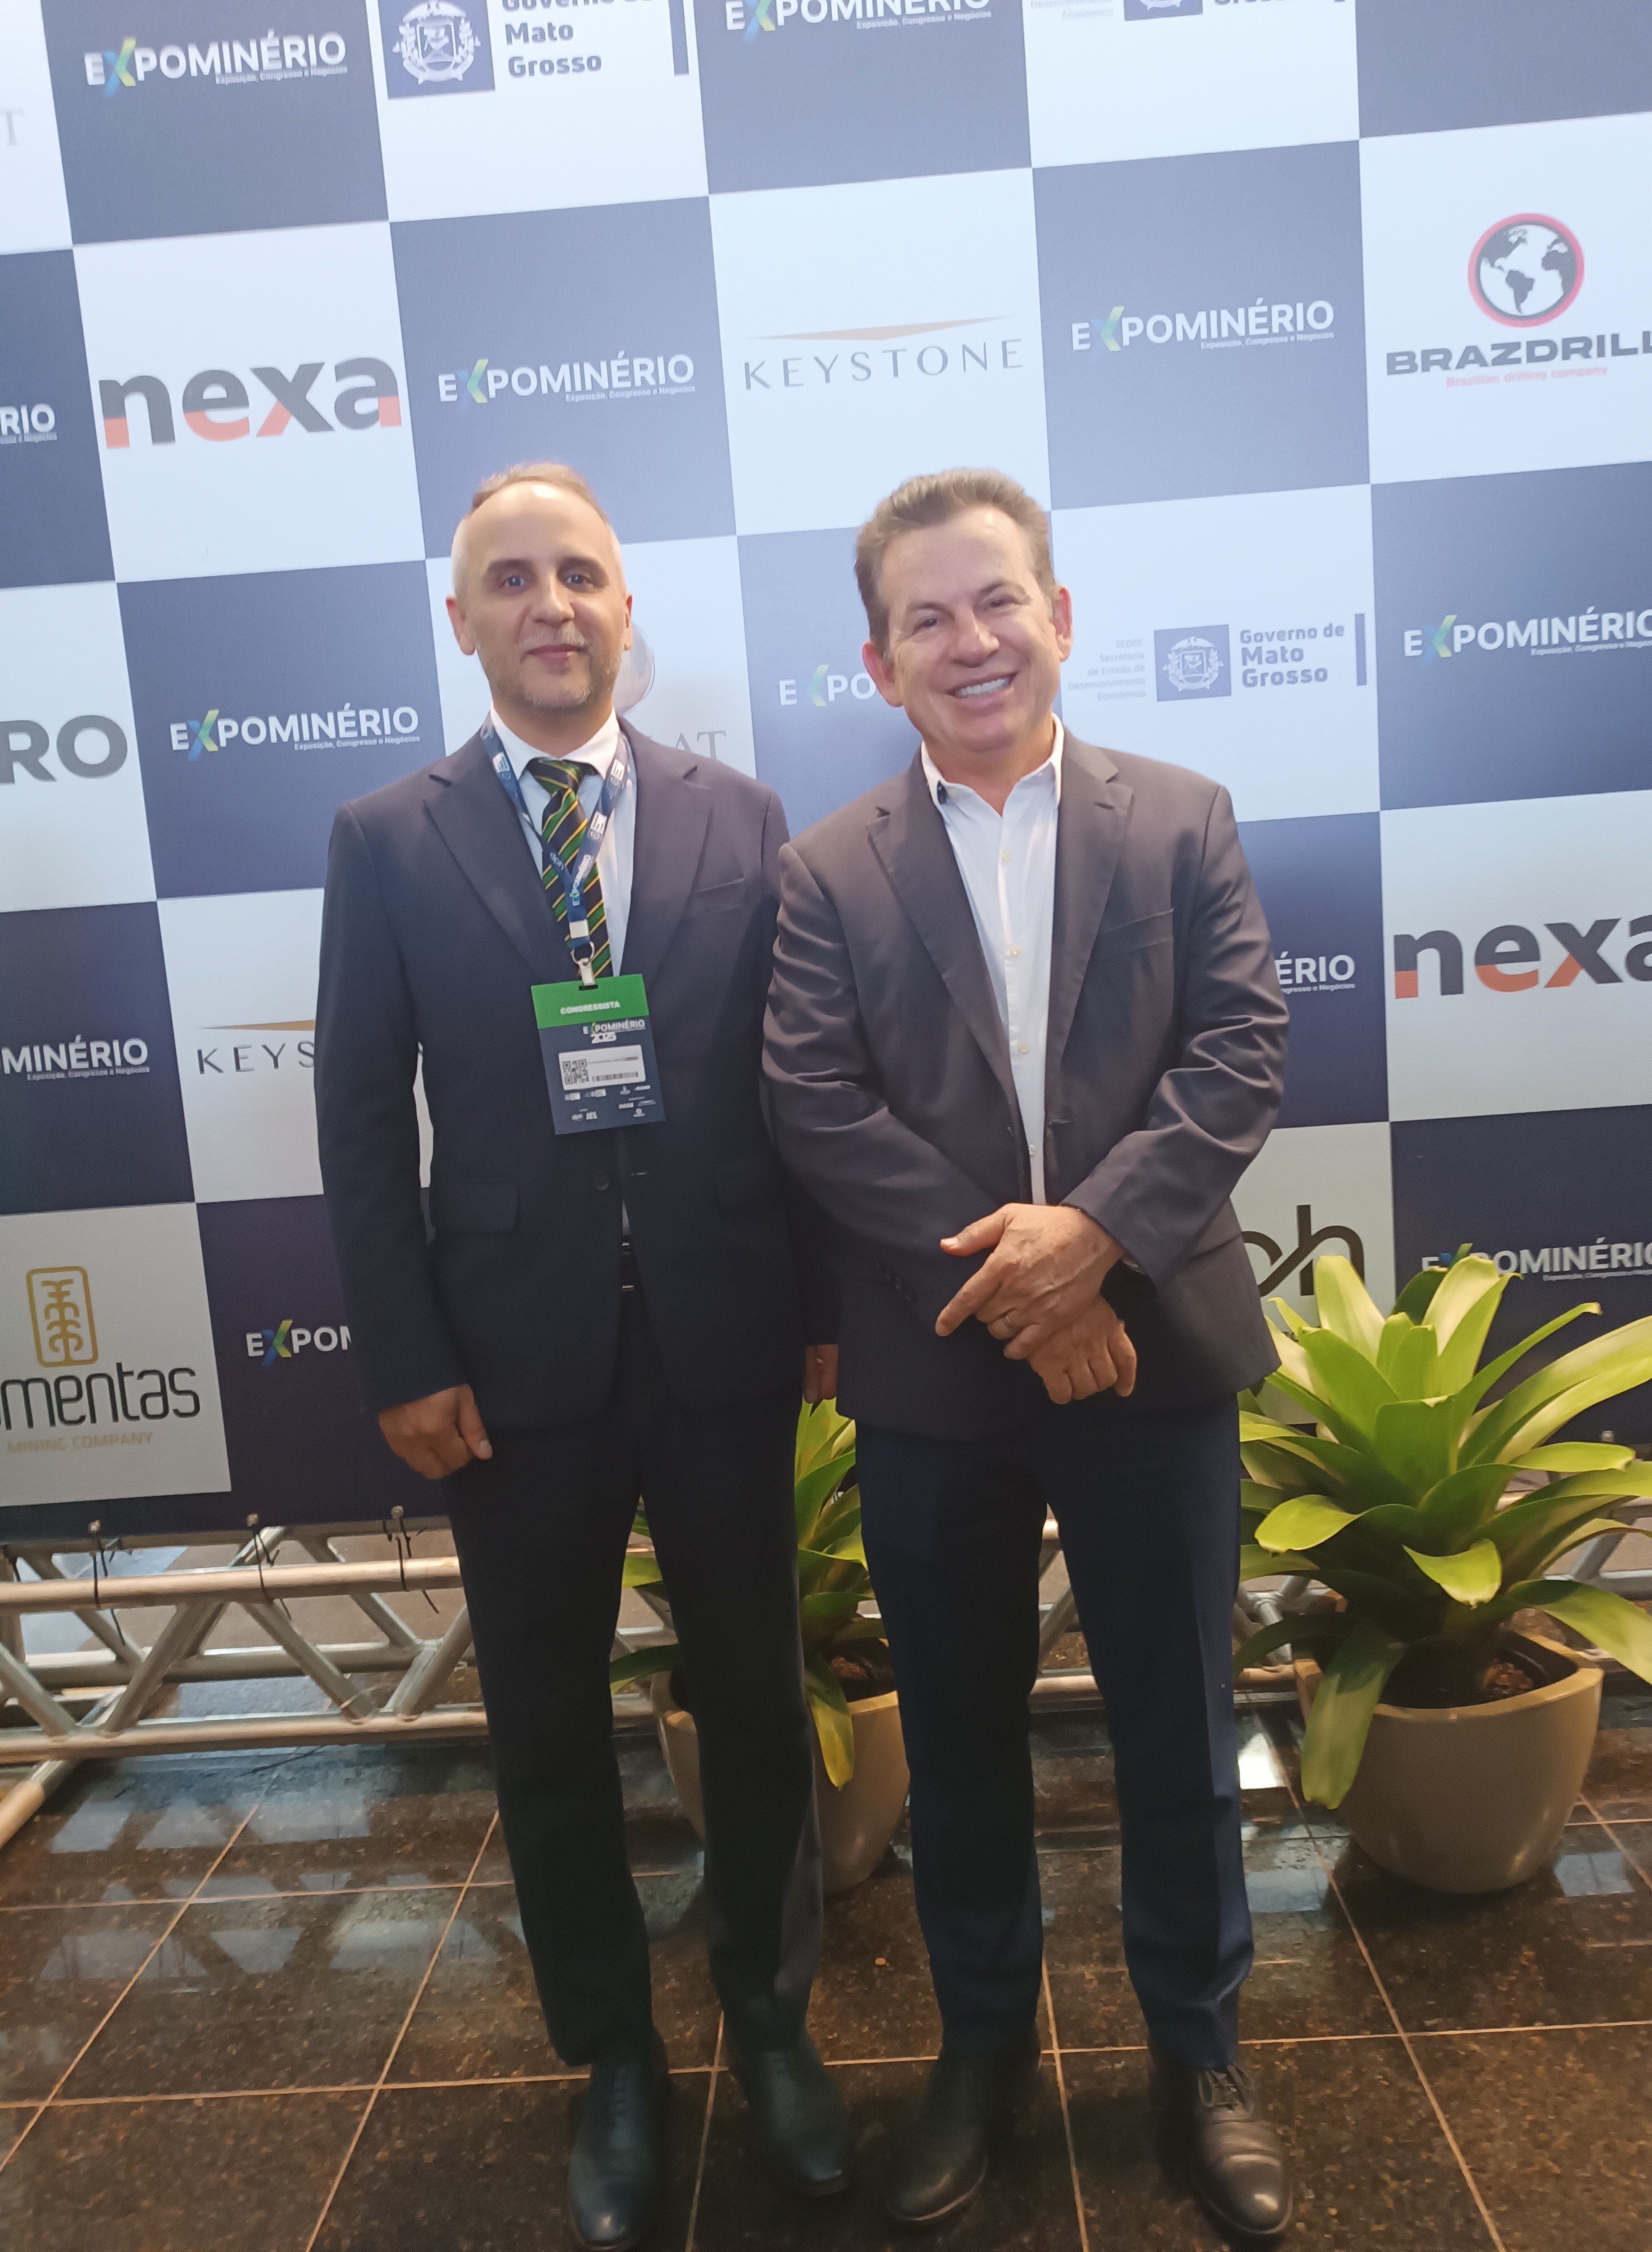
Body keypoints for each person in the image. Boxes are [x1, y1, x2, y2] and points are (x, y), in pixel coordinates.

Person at [315, 462, 849, 2250]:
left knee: (757, 1697)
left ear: (627, 607)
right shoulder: (388, 838)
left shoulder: (737, 813)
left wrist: (823, 1309)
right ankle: (613, 2054)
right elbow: (357, 1121)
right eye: (514, 579)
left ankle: (770, 2019)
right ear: (463, 619)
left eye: (582, 575)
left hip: (722, 1334)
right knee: (545, 1724)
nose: (553, 606)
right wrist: (403, 1351)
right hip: (508, 1355)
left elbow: (796, 1086)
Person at [762, 468, 1293, 2238]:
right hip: (937, 1381)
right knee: (964, 1735)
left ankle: (1199, 2054)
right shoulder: (826, 870)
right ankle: (981, 2050)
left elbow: (1238, 1055)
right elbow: (814, 1104)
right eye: (927, 618)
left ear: (1058, 617)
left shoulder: (1183, 819)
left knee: (1178, 1723)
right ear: (879, 662)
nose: (970, 640)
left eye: (999, 601)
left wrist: (1094, 1245)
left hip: (1154, 1353)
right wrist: (1025, 1282)